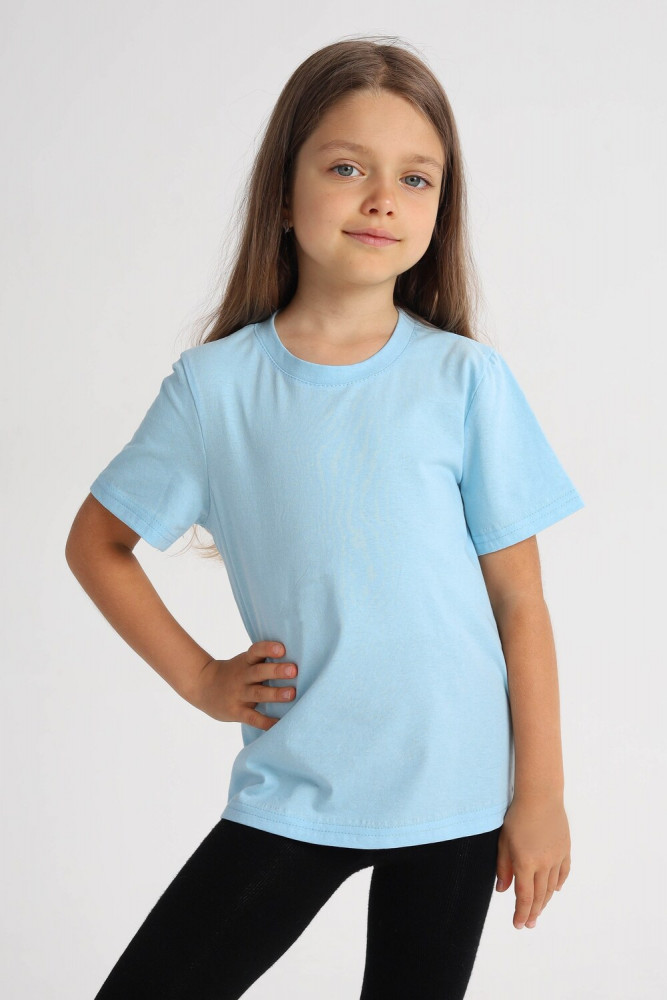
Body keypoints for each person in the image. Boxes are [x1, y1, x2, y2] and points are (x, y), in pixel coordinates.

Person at [66, 35, 585, 1000]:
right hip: (298, 781)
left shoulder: (464, 380)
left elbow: (520, 602)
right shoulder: (214, 388)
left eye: (415, 178)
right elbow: (97, 543)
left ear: (440, 207)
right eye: (347, 168)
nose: (382, 198)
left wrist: (541, 794)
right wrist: (201, 679)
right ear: (282, 192)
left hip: (456, 790)